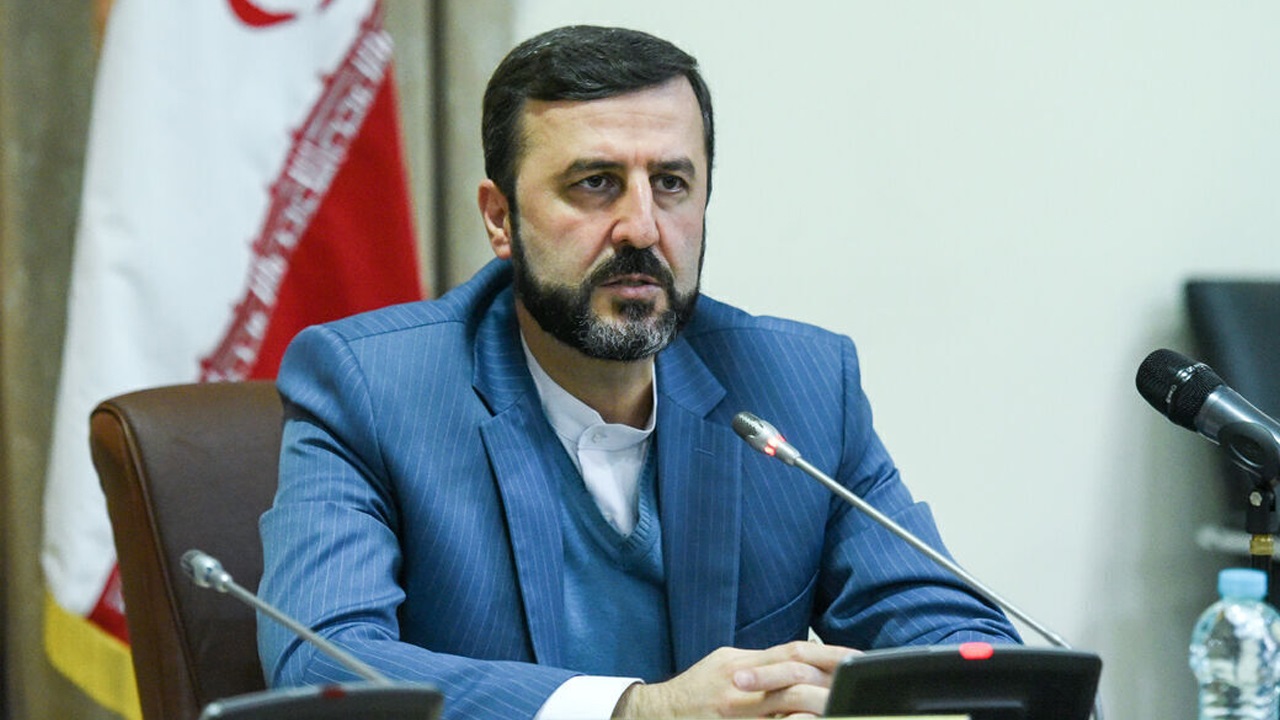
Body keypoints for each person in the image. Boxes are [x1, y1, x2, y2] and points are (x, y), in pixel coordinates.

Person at [257, 24, 1020, 719]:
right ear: (500, 218)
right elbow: (319, 664)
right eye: (595, 183)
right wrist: (639, 711)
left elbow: (965, 644)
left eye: (672, 184)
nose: (643, 227)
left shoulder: (800, 386)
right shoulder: (372, 387)